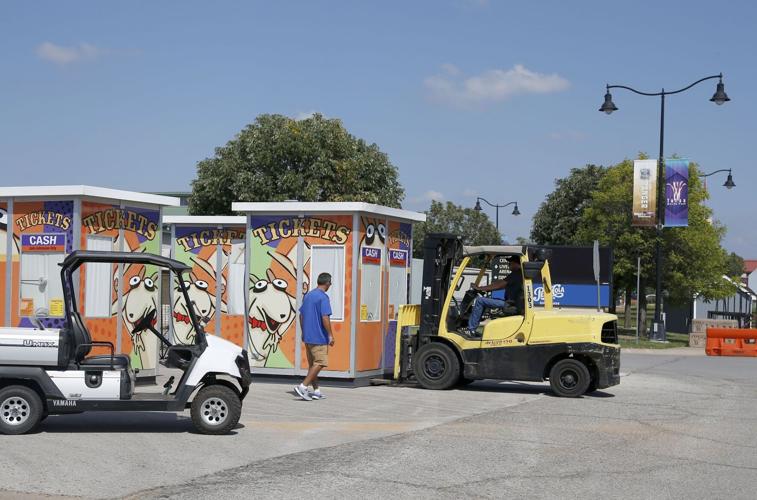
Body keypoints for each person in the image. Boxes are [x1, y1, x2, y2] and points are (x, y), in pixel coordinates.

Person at [294, 272, 335, 401]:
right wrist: (330, 335)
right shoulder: (323, 298)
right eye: (330, 282)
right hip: (319, 337)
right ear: (327, 283)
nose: (330, 284)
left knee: (313, 365)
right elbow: (325, 317)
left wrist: (303, 332)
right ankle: (303, 386)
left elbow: (301, 315)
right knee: (320, 363)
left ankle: (316, 390)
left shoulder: (309, 296)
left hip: (308, 337)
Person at [461, 256, 523, 336]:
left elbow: (499, 285)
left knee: (480, 301)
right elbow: (499, 284)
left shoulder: (516, 273)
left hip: (510, 304)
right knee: (486, 300)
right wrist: (485, 289)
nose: (508, 264)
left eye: (510, 262)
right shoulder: (518, 274)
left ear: (516, 263)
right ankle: (474, 324)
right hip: (511, 302)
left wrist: (480, 288)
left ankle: (471, 329)